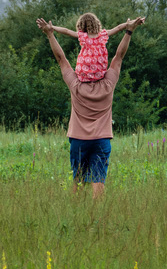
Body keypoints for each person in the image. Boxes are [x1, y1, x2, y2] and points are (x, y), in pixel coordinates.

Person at [37, 15, 144, 198]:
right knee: (98, 179)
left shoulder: (76, 86)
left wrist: (50, 35)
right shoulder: (108, 85)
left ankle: (77, 212)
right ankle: (97, 216)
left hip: (78, 139)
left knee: (77, 179)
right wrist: (129, 31)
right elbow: (119, 56)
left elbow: (61, 59)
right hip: (102, 139)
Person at [43, 13, 137, 82]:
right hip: (99, 73)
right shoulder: (103, 35)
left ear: (82, 25)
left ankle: (85, 79)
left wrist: (53, 28)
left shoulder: (83, 36)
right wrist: (128, 25)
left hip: (83, 73)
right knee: (114, 60)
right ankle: (97, 79)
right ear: (96, 23)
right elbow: (118, 28)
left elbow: (67, 31)